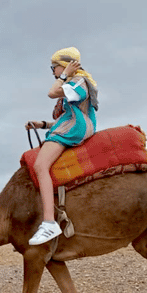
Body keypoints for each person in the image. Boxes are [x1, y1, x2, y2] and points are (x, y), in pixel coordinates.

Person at [25, 47, 98, 245]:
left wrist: (64, 76)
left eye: (54, 67)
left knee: (40, 166)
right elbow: (67, 115)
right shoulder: (78, 83)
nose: (53, 72)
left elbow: (52, 93)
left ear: (65, 65)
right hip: (72, 125)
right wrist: (42, 125)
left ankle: (49, 223)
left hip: (74, 128)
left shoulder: (79, 81)